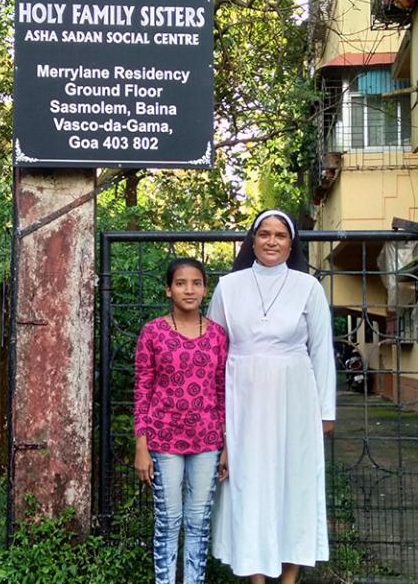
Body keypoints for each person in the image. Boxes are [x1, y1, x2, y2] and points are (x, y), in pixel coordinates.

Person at [208, 209, 336, 584]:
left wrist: (326, 411)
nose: (272, 242)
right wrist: (214, 412)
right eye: (264, 234)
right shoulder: (228, 287)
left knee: (293, 483)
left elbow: (322, 353)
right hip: (242, 399)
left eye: (280, 235)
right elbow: (215, 351)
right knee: (249, 482)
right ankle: (256, 577)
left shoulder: (308, 287)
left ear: (290, 243)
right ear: (252, 240)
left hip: (294, 399)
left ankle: (290, 577)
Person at [134, 257, 228, 584]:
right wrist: (141, 446)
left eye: (196, 283)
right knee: (168, 520)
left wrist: (226, 446)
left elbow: (221, 392)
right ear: (168, 289)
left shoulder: (218, 335)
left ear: (205, 289)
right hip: (162, 441)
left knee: (199, 521)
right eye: (180, 283)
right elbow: (143, 388)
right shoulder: (152, 333)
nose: (189, 289)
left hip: (207, 441)